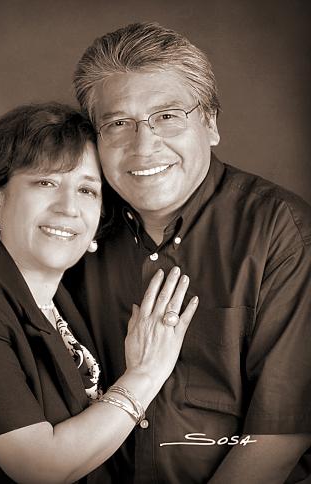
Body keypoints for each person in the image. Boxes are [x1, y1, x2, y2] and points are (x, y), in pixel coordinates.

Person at [63, 22, 311, 483]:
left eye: (167, 116)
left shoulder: (283, 231)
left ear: (211, 123)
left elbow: (281, 434)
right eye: (118, 123)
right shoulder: (73, 228)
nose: (144, 145)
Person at [0, 102, 199, 483]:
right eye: (45, 183)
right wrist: (145, 374)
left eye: (86, 190)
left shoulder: (60, 296)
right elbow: (38, 469)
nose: (68, 208)